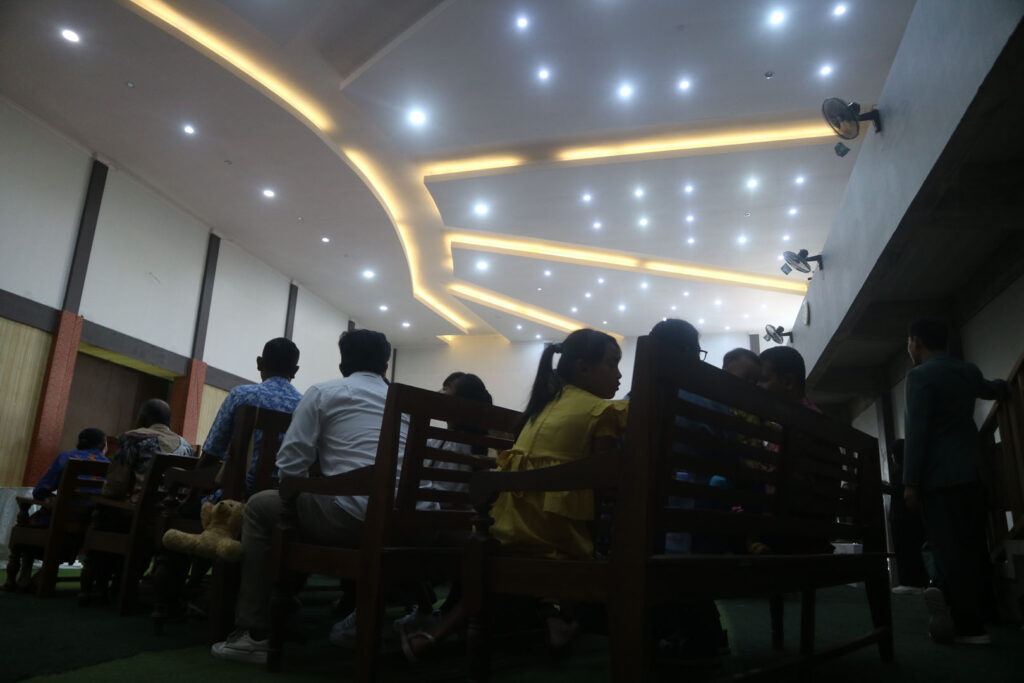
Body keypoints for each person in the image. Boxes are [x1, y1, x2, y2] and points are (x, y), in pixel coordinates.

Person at [399, 328, 627, 660]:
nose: (618, 374)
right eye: (612, 364)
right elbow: (604, 484)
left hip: (506, 525)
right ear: (582, 367)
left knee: (493, 562)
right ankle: (551, 619)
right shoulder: (602, 411)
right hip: (552, 536)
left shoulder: (542, 407)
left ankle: (441, 633)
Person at [212, 329, 406, 665]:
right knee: (301, 508)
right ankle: (293, 601)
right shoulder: (404, 404)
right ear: (385, 367)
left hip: (354, 518)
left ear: (342, 365)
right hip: (408, 524)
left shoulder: (323, 393)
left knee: (260, 505)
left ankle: (255, 633)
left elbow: (289, 467)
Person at [902, 318, 1006, 645]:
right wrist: (1004, 387)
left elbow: (916, 433)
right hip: (974, 470)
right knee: (975, 545)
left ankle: (969, 627)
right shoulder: (967, 371)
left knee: (949, 550)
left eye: (909, 342)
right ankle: (988, 613)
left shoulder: (919, 376)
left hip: (939, 477)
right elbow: (992, 389)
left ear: (915, 342)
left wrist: (910, 482)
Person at [3, 428, 108, 591]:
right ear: (102, 445)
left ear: (79, 442)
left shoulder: (67, 457)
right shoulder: (108, 465)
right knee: (67, 533)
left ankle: (23, 576)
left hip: (58, 521)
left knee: (30, 522)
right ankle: (39, 575)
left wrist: (49, 497)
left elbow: (40, 490)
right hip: (90, 524)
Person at [202, 337, 303, 492]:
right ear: (295, 371)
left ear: (259, 363)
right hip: (284, 497)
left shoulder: (241, 395)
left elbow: (212, 452)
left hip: (238, 494)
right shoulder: (304, 405)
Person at [102, 399, 193, 501]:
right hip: (172, 506)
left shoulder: (132, 437)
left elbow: (115, 488)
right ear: (169, 423)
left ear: (142, 418)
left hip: (139, 505)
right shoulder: (186, 446)